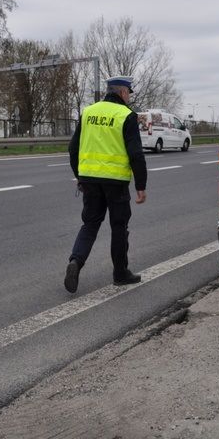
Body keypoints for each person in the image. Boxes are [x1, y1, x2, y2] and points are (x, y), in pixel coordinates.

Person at [65, 75, 147, 293]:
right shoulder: (126, 116)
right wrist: (141, 186)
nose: (129, 97)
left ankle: (75, 262)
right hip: (116, 182)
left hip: (90, 180)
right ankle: (120, 274)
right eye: (129, 93)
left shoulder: (88, 112)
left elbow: (73, 149)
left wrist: (80, 177)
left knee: (90, 224)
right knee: (119, 227)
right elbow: (136, 154)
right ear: (122, 92)